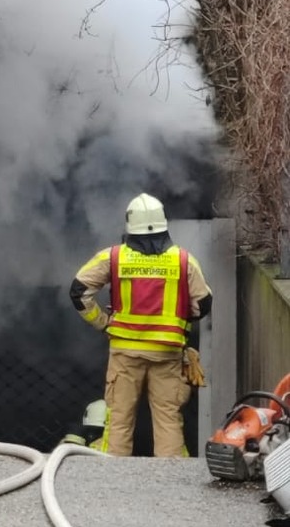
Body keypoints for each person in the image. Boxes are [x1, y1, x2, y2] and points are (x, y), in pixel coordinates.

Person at [69, 193, 212, 457]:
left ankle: (115, 484)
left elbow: (79, 291)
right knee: (168, 420)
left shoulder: (112, 258)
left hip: (125, 354)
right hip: (167, 353)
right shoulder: (184, 261)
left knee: (119, 421)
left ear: (129, 226)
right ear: (163, 224)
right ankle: (171, 485)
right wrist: (177, 321)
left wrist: (103, 323)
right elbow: (202, 304)